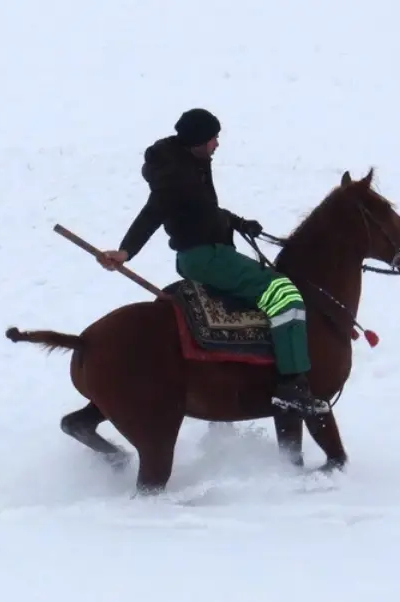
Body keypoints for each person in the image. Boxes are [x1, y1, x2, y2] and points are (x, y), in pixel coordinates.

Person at [97, 108, 330, 419]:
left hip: (208, 251)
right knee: (284, 293)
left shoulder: (191, 164)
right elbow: (153, 212)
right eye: (213, 139)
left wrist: (238, 222)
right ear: (198, 142)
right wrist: (126, 251)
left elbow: (204, 210)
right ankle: (292, 386)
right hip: (205, 257)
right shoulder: (175, 177)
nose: (217, 144)